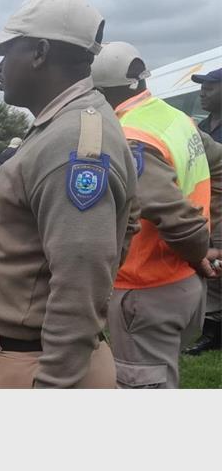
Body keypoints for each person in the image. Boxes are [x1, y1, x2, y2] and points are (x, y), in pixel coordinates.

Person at [0, 0, 138, 388]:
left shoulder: (72, 141)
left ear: (40, 53)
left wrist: (54, 383)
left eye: (7, 51)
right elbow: (125, 229)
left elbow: (82, 275)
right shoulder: (67, 126)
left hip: (45, 365)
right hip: (42, 356)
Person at [91, 41, 222, 388]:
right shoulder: (174, 118)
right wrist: (213, 239)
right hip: (180, 284)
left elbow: (174, 216)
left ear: (102, 91)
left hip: (148, 287)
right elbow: (218, 164)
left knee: (141, 384)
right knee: (161, 374)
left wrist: (200, 254)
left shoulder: (130, 136)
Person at [184, 67, 222, 355]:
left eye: (209, 87)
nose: (202, 92)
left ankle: (212, 330)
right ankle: (211, 328)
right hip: (206, 207)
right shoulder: (205, 124)